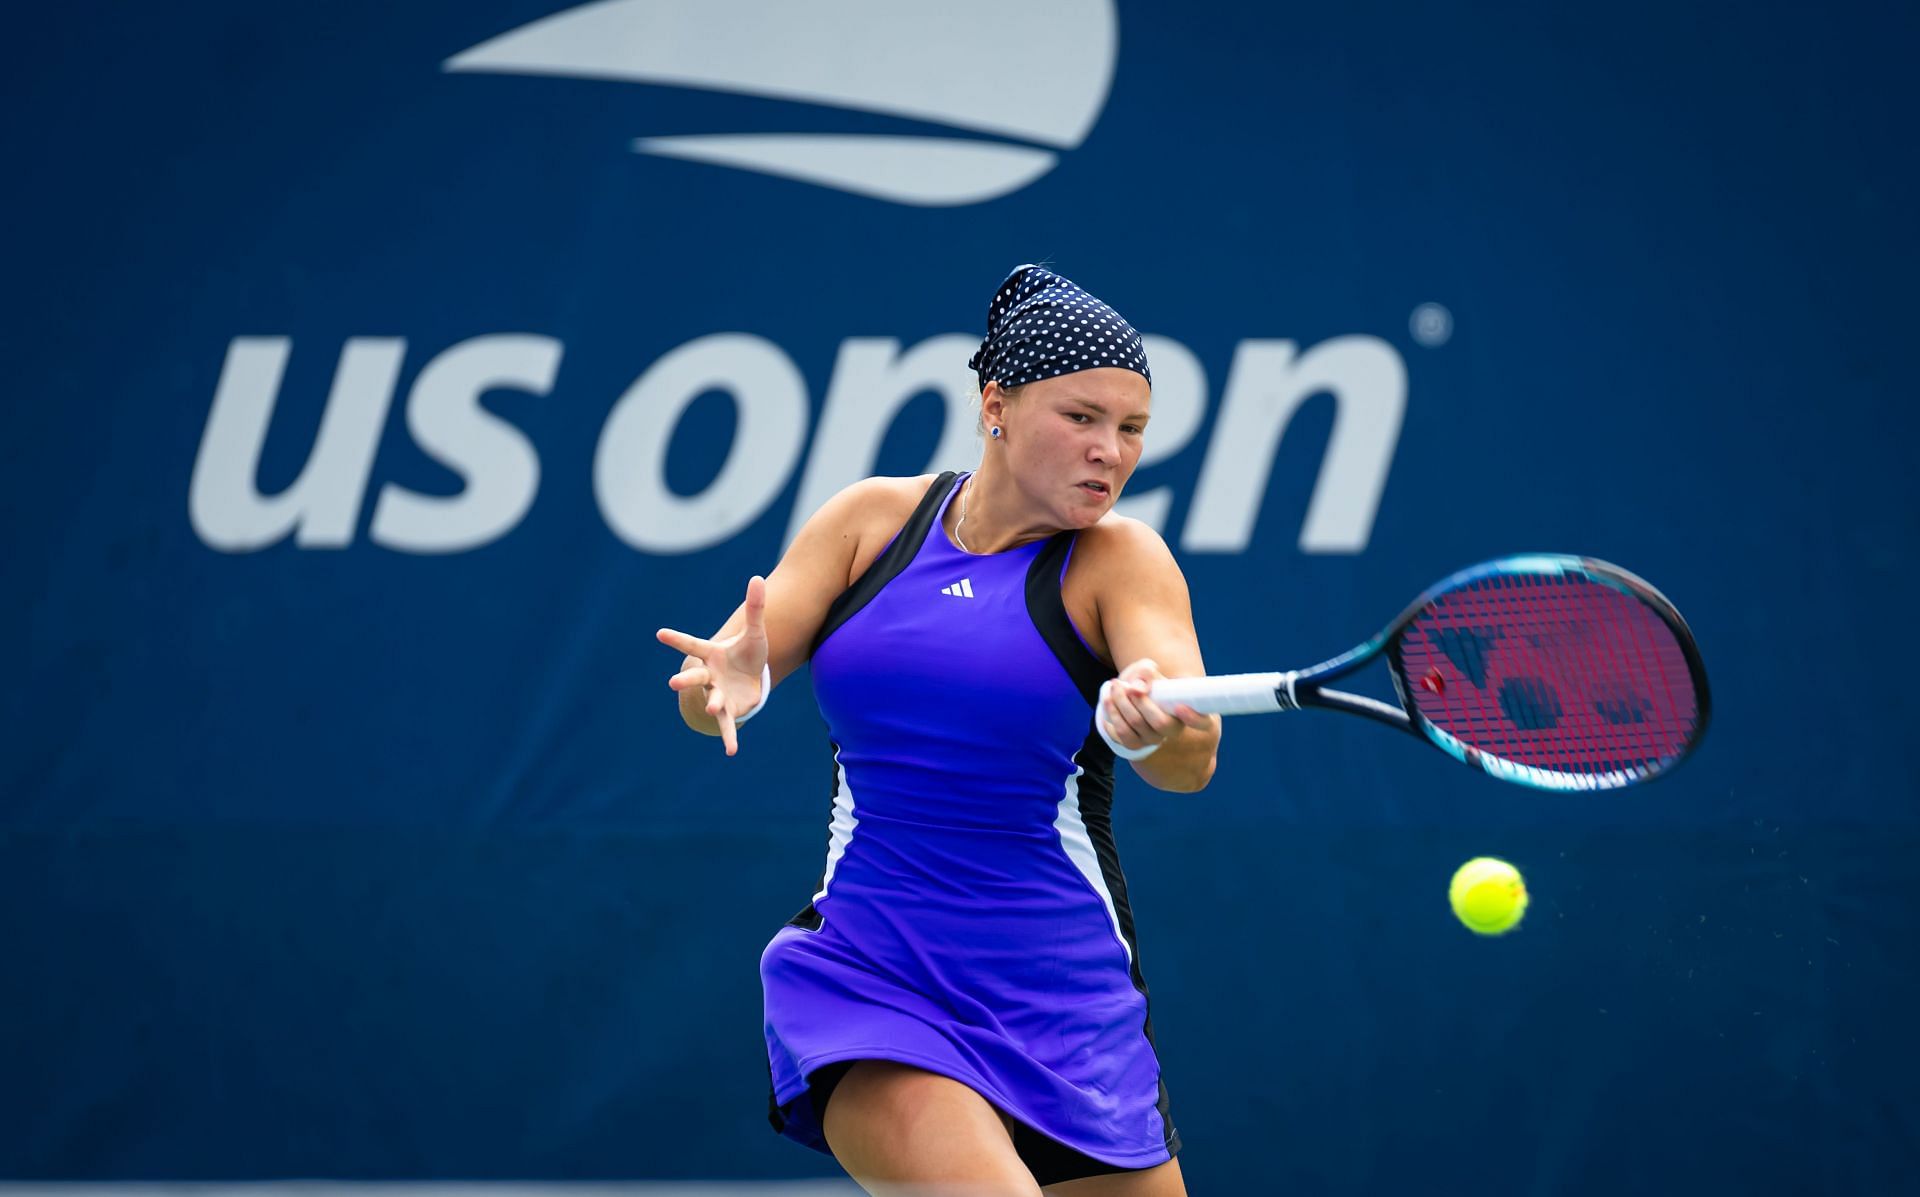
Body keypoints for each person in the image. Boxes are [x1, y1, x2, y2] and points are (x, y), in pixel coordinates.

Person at [657, 265, 1221, 1196]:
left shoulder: (1124, 560)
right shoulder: (871, 521)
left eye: (1131, 429)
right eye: (1081, 418)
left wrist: (1154, 723)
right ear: (996, 405)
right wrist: (725, 680)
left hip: (1065, 1001)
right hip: (873, 971)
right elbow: (726, 675)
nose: (1109, 453)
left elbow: (1188, 757)